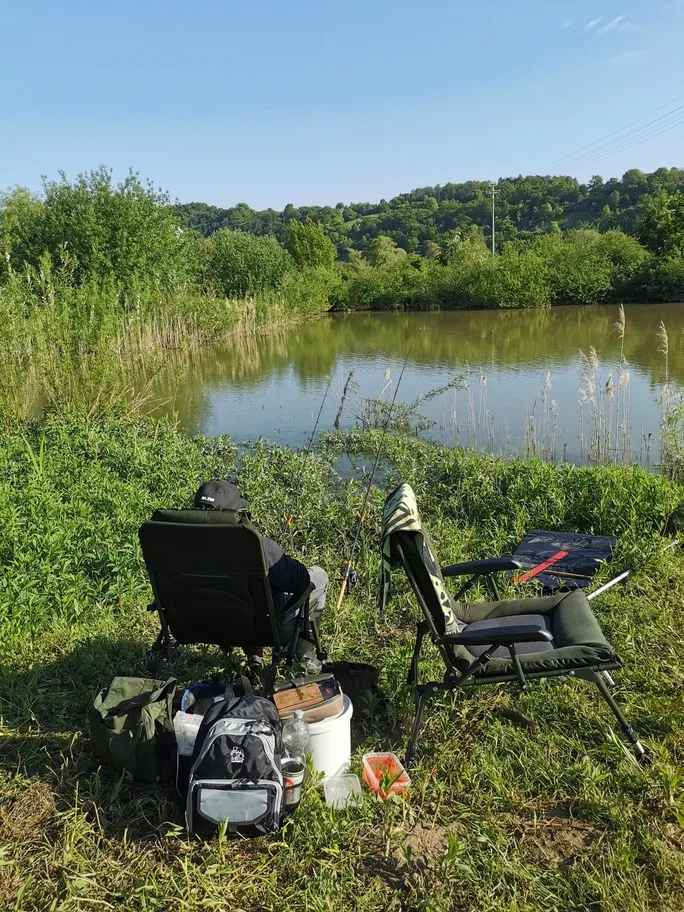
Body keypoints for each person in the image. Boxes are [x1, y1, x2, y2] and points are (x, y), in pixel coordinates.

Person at [193, 479, 327, 675]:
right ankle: (302, 654)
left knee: (243, 599)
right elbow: (301, 582)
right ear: (233, 513)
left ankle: (254, 656)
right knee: (319, 576)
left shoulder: (176, 544)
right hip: (264, 629)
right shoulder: (257, 546)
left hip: (203, 624)